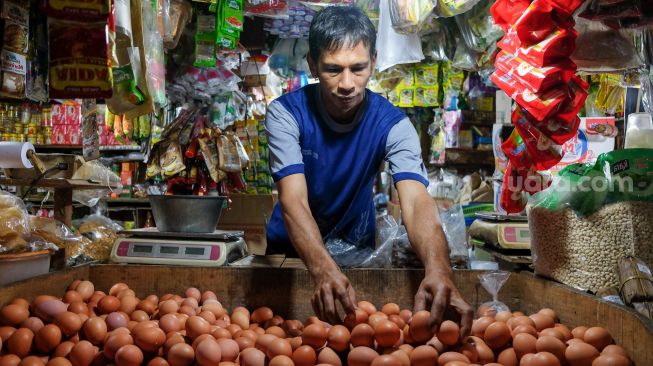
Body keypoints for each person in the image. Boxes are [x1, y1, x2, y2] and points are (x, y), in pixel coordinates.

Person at [264, 5, 473, 335]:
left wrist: (439, 267)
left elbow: (417, 202)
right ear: (312, 65)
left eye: (358, 68)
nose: (347, 84)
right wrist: (320, 268)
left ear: (374, 61)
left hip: (357, 253)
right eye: (333, 70)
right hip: (293, 255)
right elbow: (292, 199)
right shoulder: (286, 114)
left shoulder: (393, 124)